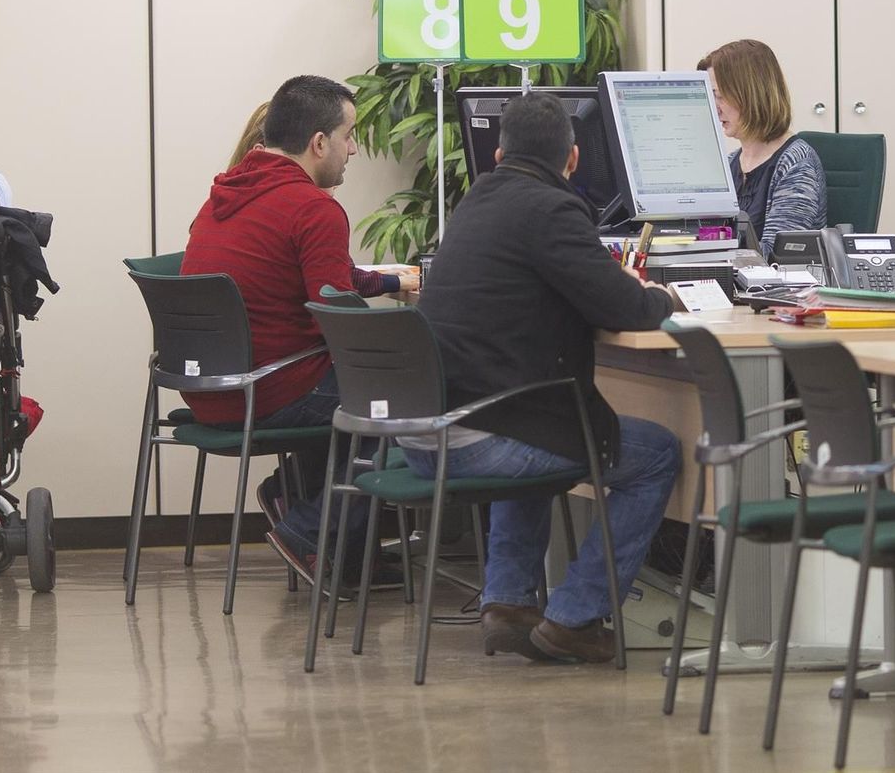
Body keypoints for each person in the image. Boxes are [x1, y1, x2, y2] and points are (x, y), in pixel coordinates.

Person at [403, 91, 681, 664]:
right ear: (572, 160)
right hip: (478, 438)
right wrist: (659, 297)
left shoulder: (477, 202)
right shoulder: (551, 210)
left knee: (536, 424)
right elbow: (624, 309)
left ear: (499, 154)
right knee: (655, 453)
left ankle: (507, 603)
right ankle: (576, 616)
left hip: (426, 432)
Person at [182, 75, 418, 584]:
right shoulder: (314, 208)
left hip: (213, 389)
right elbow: (338, 317)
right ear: (318, 143)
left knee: (340, 381)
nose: (353, 149)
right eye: (350, 135)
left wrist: (381, 280)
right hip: (267, 389)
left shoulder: (226, 196)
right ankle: (312, 531)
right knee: (390, 396)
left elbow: (310, 276)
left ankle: (308, 509)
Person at [223, 100, 414, 302]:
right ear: (260, 151)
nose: (352, 149)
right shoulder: (309, 209)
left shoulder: (219, 202)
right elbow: (336, 300)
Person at [697, 39, 827, 257]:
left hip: (772, 289)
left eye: (720, 95)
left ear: (750, 94)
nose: (714, 107)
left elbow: (773, 258)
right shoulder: (729, 164)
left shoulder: (797, 164)